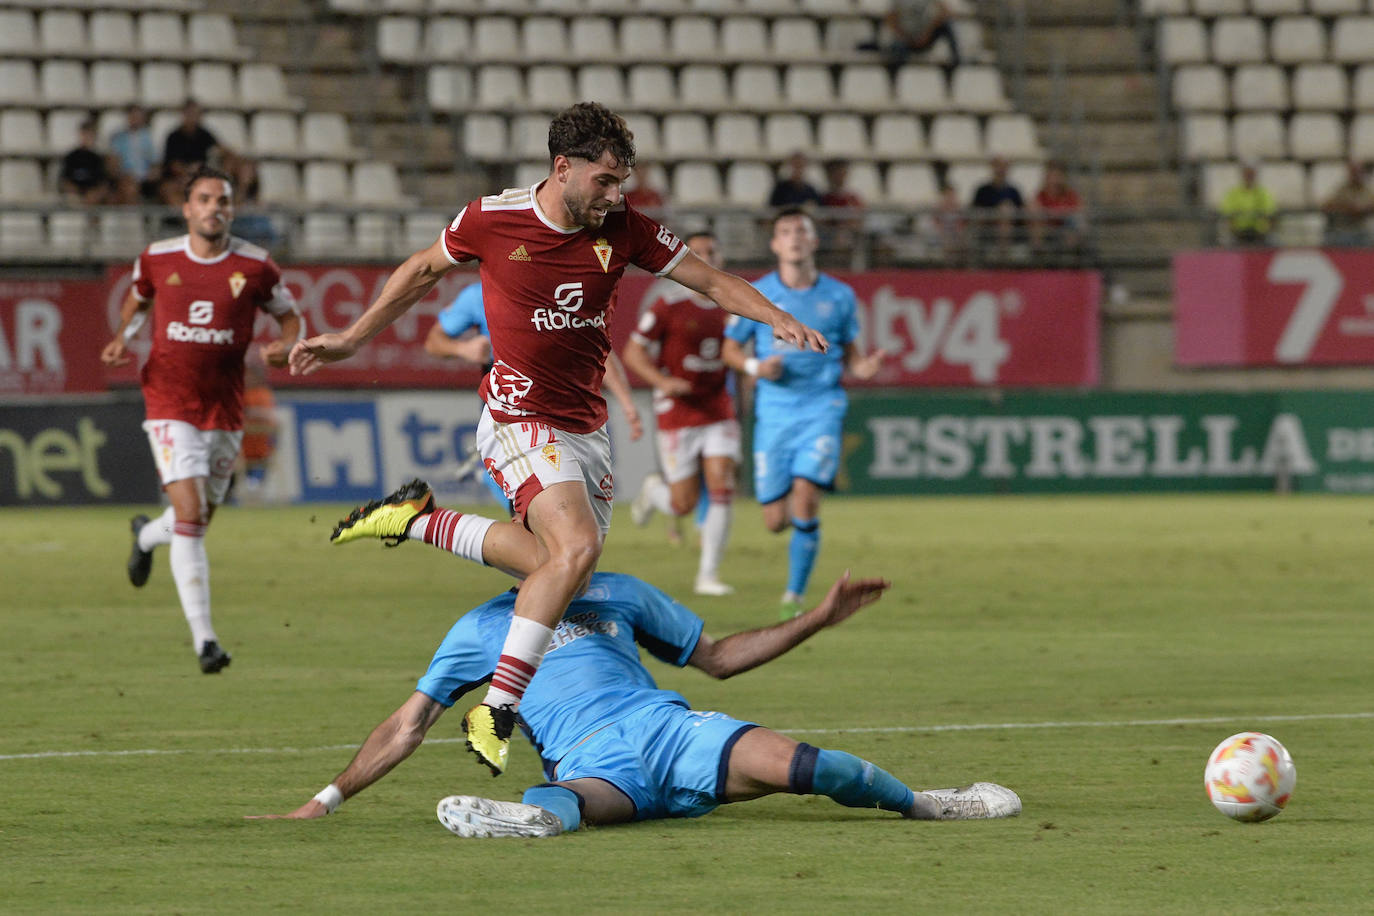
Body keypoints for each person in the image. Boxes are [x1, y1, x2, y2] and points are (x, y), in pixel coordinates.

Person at [287, 102, 827, 778]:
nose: (615, 195)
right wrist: (352, 337)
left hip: (585, 427)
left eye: (622, 181)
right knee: (576, 549)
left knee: (560, 571)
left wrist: (776, 314)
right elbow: (422, 270)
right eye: (604, 181)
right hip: (516, 416)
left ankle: (422, 521)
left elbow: (712, 282)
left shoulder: (626, 228)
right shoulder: (492, 218)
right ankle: (499, 709)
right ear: (562, 168)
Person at [247, 561, 1021, 833]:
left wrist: (818, 618)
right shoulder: (482, 626)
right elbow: (409, 722)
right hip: (593, 759)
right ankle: (528, 821)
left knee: (820, 768)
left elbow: (716, 658)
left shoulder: (619, 594)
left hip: (673, 730)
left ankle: (927, 804)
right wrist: (325, 800)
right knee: (569, 801)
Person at [100, 165, 302, 674]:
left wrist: (287, 343)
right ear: (187, 208)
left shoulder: (255, 266)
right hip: (169, 401)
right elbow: (139, 297)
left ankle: (147, 536)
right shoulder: (158, 257)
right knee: (190, 517)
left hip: (225, 408)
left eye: (224, 200)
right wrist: (123, 335)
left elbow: (289, 314)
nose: (215, 208)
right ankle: (205, 641)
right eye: (205, 199)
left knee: (197, 521)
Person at [722, 208, 886, 618]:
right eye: (785, 231)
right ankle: (796, 547)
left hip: (822, 407)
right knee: (775, 520)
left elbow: (852, 355)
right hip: (775, 413)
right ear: (776, 244)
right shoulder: (756, 294)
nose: (794, 237)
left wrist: (863, 367)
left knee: (806, 496)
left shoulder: (839, 296)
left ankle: (793, 598)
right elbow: (729, 349)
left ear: (813, 242)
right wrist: (757, 368)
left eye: (802, 231)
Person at [426, 281, 643, 510]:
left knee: (567, 506)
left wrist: (627, 404)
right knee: (533, 506)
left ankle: (486, 477)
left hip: (566, 401)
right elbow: (433, 341)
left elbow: (597, 348)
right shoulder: (479, 293)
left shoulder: (566, 285)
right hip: (510, 402)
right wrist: (463, 349)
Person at [623, 231, 741, 597]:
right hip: (677, 411)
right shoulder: (667, 306)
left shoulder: (734, 305)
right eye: (698, 252)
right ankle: (653, 492)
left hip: (717, 406)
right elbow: (632, 353)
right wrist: (663, 381)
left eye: (712, 251)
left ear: (721, 258)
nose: (706, 257)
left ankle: (708, 575)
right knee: (683, 503)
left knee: (722, 483)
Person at [158, 100, 257, 206]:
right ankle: (187, 220)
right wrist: (189, 171)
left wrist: (238, 161)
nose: (193, 117)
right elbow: (173, 165)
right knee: (171, 189)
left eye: (196, 114)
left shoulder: (204, 134)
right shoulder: (173, 136)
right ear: (183, 114)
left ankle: (231, 212)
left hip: (200, 177)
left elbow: (222, 149)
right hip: (178, 178)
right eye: (190, 113)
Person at [859, 0, 961, 72]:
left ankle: (957, 60)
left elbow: (947, 12)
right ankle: (895, 76)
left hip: (925, 38)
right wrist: (906, 38)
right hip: (905, 41)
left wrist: (928, 33)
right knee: (896, 47)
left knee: (947, 25)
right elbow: (890, 19)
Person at [970, 156, 1025, 257]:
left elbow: (1022, 215)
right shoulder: (982, 191)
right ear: (993, 168)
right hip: (987, 229)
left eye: (1003, 167)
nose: (1001, 170)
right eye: (998, 166)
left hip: (1010, 230)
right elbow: (973, 212)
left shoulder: (1014, 191)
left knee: (1006, 213)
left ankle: (1004, 253)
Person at [1030, 159, 1086, 258]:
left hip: (1064, 229)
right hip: (1047, 229)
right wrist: (1054, 213)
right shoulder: (1041, 195)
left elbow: (1079, 210)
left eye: (1058, 176)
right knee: (1037, 225)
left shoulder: (1070, 194)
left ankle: (1069, 258)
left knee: (1074, 225)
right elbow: (1034, 209)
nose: (1055, 179)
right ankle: (1039, 258)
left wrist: (1060, 213)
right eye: (1052, 176)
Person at [109, 104, 160, 204]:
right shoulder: (119, 137)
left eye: (138, 117)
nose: (135, 119)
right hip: (126, 175)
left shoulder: (149, 137)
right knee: (129, 186)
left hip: (145, 177)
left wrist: (152, 172)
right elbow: (114, 162)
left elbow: (155, 161)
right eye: (133, 116)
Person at [59, 119, 116, 206]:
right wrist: (77, 193)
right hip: (75, 195)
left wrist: (95, 194)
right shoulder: (71, 157)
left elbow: (103, 183)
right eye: (85, 134)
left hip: (92, 196)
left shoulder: (97, 159)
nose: (87, 138)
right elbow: (65, 181)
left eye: (90, 135)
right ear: (80, 135)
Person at [1219, 161, 1276, 246]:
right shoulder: (1233, 193)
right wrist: (1233, 228)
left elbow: (1271, 213)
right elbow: (1228, 215)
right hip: (1238, 233)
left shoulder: (1263, 193)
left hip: (1260, 234)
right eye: (1247, 174)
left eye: (1251, 174)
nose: (1249, 177)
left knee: (1273, 241)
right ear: (1243, 175)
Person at [1320, 160, 1374, 247]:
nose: (1356, 175)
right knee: (1333, 239)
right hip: (1342, 230)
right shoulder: (1341, 190)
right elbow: (1326, 206)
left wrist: (1363, 210)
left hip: (1360, 231)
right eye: (1353, 173)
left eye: (1358, 172)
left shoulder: (1367, 191)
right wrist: (1346, 208)